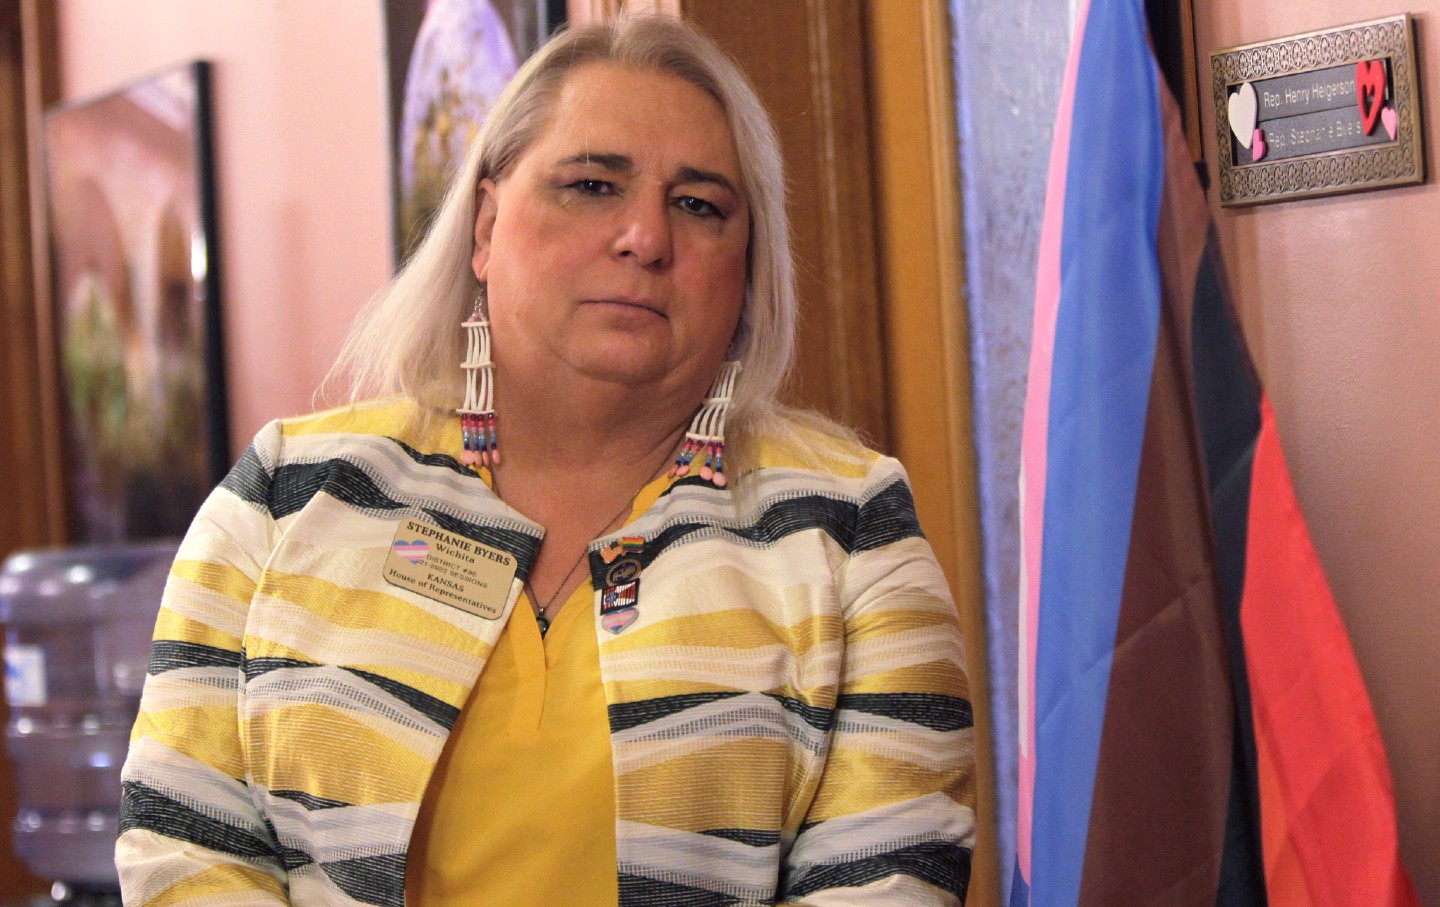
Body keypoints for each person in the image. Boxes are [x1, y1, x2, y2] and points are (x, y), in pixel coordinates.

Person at [117, 14, 975, 906]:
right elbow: (184, 848)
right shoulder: (286, 498)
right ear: (486, 226)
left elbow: (891, 880)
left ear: (747, 271)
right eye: (594, 185)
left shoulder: (851, 532)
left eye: (699, 205)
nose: (646, 236)